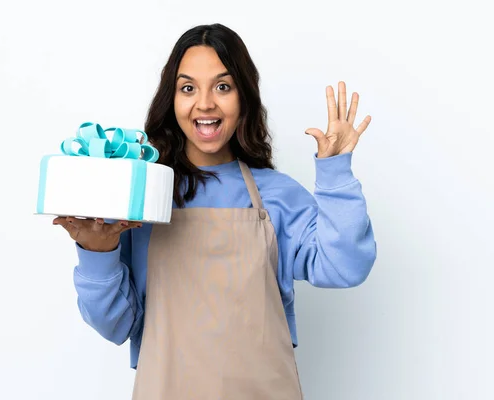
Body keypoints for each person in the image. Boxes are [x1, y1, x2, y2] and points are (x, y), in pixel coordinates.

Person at [53, 23, 377, 400]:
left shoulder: (277, 195)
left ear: (244, 96)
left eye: (223, 86)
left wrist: (335, 172)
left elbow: (345, 267)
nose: (205, 103)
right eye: (188, 88)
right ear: (171, 100)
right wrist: (97, 254)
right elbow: (115, 325)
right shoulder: (144, 197)